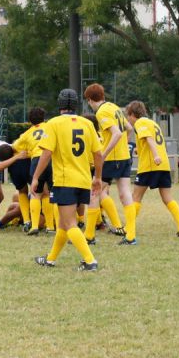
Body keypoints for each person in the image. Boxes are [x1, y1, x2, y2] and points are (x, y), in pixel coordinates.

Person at [32, 88, 103, 271]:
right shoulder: (87, 123)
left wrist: (36, 177)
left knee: (70, 223)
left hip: (65, 180)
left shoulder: (54, 123)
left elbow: (46, 153)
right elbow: (98, 154)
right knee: (64, 224)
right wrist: (98, 178)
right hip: (83, 179)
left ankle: (90, 261)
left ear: (60, 104)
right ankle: (50, 259)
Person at [125, 101, 179, 239]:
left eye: (128, 116)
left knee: (135, 197)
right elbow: (152, 141)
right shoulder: (153, 123)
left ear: (132, 114)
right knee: (167, 198)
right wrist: (139, 149)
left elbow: (149, 139)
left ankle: (128, 231)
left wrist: (155, 156)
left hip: (150, 165)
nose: (128, 119)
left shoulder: (140, 123)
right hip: (163, 164)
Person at [84, 83, 137, 245]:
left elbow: (116, 134)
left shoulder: (102, 112)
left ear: (89, 99)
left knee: (94, 192)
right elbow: (129, 128)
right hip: (123, 157)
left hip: (111, 159)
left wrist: (103, 155)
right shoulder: (114, 107)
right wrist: (124, 145)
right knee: (125, 193)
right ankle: (130, 235)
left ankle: (89, 235)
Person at [14, 107, 56, 236]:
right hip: (50, 160)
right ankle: (50, 227)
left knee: (35, 193)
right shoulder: (50, 127)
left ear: (29, 120)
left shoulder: (27, 133)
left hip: (37, 161)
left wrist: (30, 150)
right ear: (44, 118)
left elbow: (15, 146)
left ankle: (34, 226)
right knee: (49, 194)